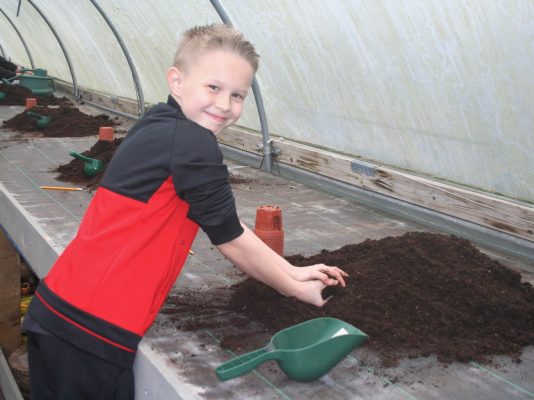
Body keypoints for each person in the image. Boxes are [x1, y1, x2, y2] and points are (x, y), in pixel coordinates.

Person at [24, 23, 348, 399]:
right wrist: (296, 289)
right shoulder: (194, 144)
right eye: (214, 87)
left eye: (238, 95)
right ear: (176, 81)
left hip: (59, 312)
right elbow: (230, 240)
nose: (225, 105)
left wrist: (293, 268)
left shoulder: (159, 124)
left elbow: (226, 223)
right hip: (91, 332)